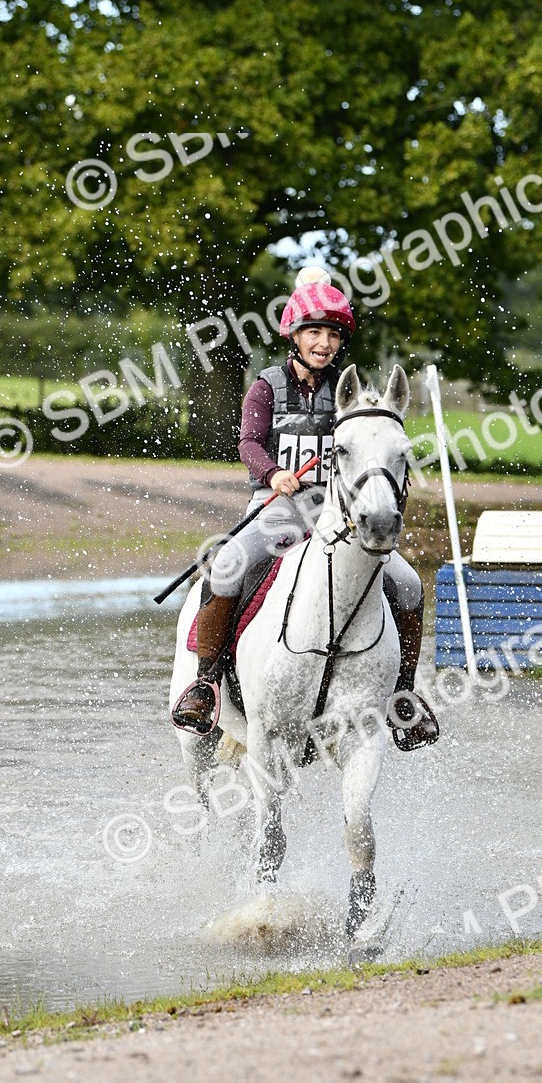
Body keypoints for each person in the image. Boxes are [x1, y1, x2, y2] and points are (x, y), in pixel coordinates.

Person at [171, 267, 438, 745]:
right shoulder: (267, 387)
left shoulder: (349, 393)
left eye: (333, 334)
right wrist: (273, 473)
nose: (324, 342)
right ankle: (207, 683)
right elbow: (249, 443)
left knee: (409, 583)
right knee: (227, 564)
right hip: (277, 507)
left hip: (336, 514)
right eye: (314, 332)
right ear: (294, 335)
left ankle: (404, 696)